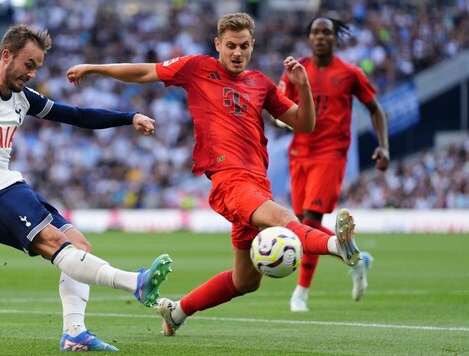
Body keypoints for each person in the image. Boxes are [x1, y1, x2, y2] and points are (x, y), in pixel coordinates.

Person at [66, 12, 361, 336]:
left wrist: (303, 88)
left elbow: (305, 124)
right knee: (283, 219)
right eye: (231, 45)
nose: (237, 52)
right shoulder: (198, 68)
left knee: (245, 281)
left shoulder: (260, 83)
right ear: (218, 44)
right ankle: (337, 245)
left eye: (244, 46)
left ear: (252, 46)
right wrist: (94, 68)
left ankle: (176, 313)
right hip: (229, 180)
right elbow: (146, 71)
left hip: (257, 183)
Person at [0, 23, 173, 352]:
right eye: (28, 64)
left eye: (37, 67)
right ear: (7, 56)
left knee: (79, 245)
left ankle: (74, 333)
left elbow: (76, 115)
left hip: (9, 185)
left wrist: (128, 116)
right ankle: (135, 283)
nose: (32, 73)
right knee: (56, 243)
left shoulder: (21, 97)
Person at [277, 16, 390, 312]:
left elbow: (375, 109)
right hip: (299, 153)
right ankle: (355, 257)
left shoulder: (350, 73)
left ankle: (300, 293)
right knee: (303, 226)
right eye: (315, 32)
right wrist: (279, 119)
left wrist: (384, 146)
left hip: (331, 154)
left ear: (335, 38)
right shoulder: (295, 71)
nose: (321, 37)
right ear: (308, 37)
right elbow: (278, 107)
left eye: (326, 32)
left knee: (311, 221)